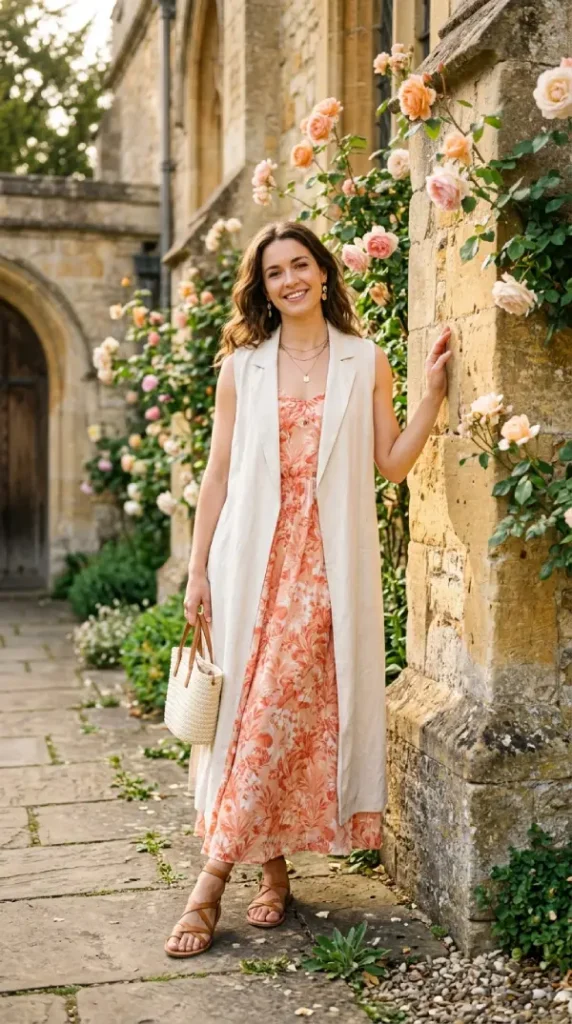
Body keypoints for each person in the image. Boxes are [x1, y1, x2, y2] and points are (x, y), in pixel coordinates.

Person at [165, 220, 452, 957]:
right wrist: (197, 571)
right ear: (262, 289)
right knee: (254, 714)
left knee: (276, 713)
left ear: (324, 273)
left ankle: (210, 882)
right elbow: (218, 475)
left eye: (301, 265)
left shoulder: (365, 361)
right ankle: (272, 874)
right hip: (248, 566)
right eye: (274, 273)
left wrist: (431, 397)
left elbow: (391, 463)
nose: (289, 280)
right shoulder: (243, 368)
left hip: (325, 570)